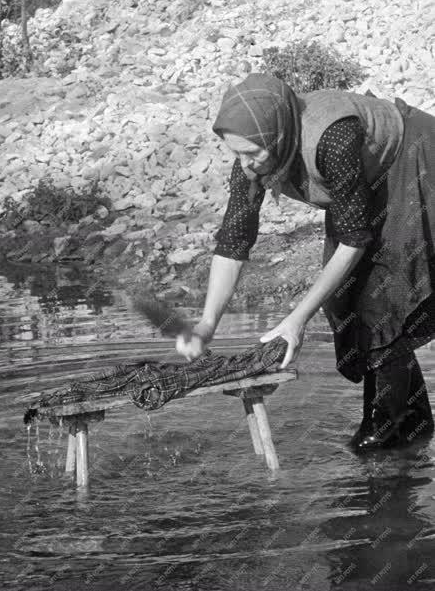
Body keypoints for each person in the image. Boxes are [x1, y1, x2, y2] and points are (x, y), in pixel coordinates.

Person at [176, 73, 435, 453]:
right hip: (368, 182)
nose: (247, 166)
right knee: (346, 300)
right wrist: (206, 324)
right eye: (238, 154)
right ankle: (413, 425)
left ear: (279, 135)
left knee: (383, 301)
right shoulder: (254, 154)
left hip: (415, 160)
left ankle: (382, 439)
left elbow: (353, 241)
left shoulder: (332, 136)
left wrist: (295, 322)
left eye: (254, 154)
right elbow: (234, 241)